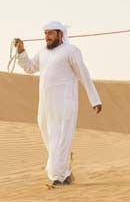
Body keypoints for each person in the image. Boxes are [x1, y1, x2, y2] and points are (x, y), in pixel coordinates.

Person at [12, 22, 102, 187]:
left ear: (61, 34)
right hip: (45, 106)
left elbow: (84, 75)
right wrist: (21, 51)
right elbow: (30, 68)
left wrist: (94, 99)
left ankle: (57, 177)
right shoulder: (42, 53)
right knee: (49, 136)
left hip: (65, 104)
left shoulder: (71, 51)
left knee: (60, 137)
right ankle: (65, 172)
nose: (47, 36)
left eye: (50, 33)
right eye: (45, 33)